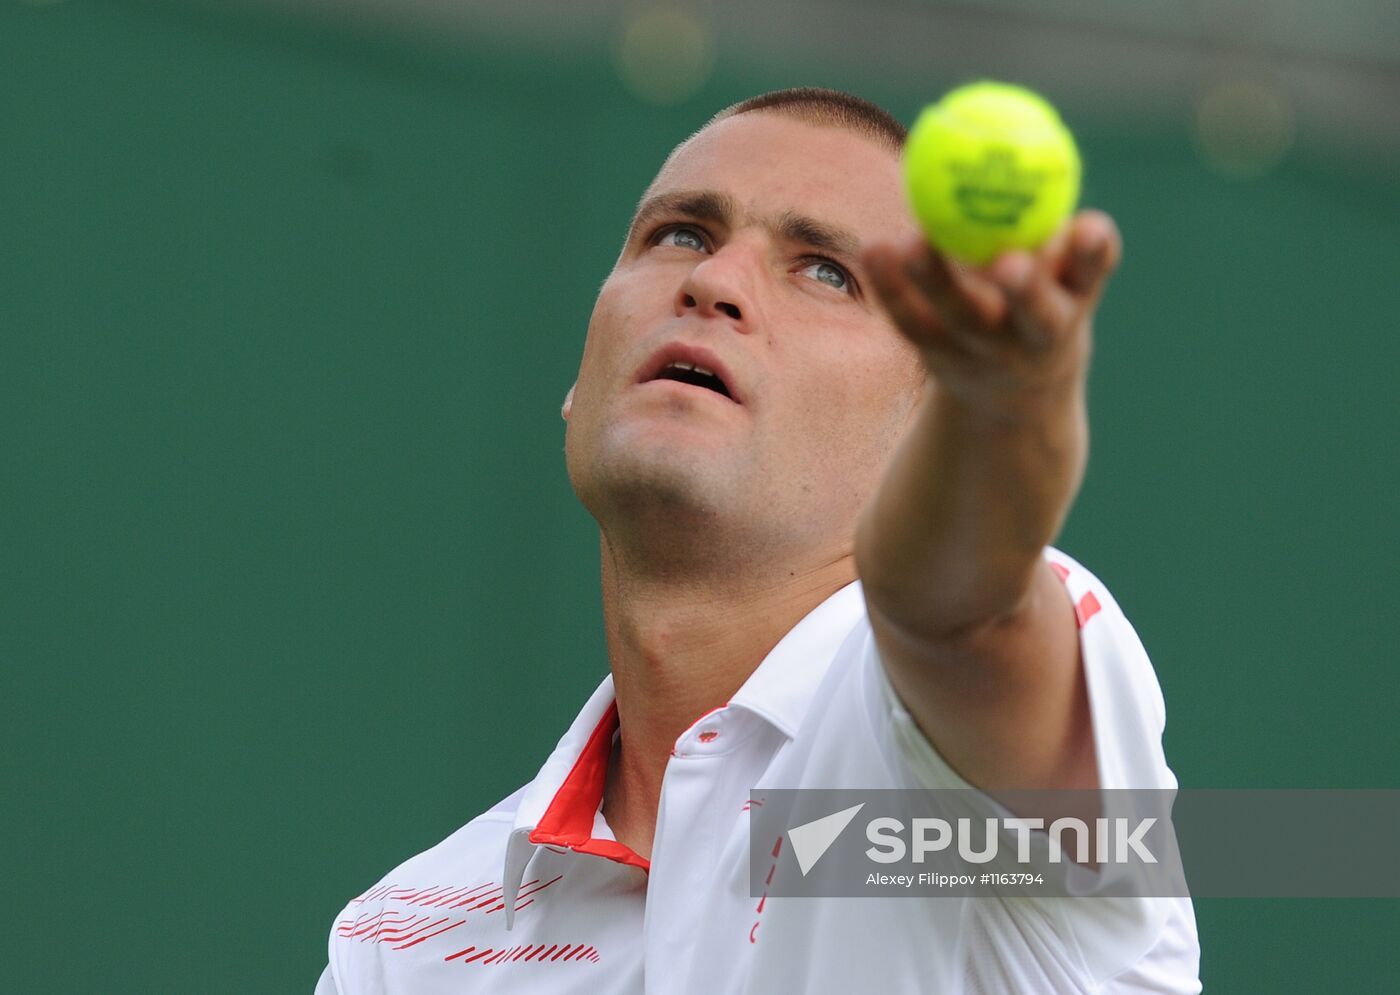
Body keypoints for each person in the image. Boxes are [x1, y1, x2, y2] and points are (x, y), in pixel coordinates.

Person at [314, 86, 1201, 993]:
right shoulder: (402, 941)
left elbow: (967, 616)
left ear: (924, 432)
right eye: (681, 235)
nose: (714, 282)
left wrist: (998, 430)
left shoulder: (957, 743)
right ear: (580, 379)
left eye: (825, 270)